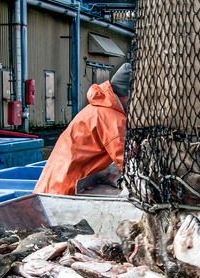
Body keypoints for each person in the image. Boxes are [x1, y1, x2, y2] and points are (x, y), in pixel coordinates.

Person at [33, 63, 131, 195]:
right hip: (63, 190)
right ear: (126, 95)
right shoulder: (111, 117)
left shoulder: (97, 108)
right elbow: (127, 162)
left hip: (55, 184)